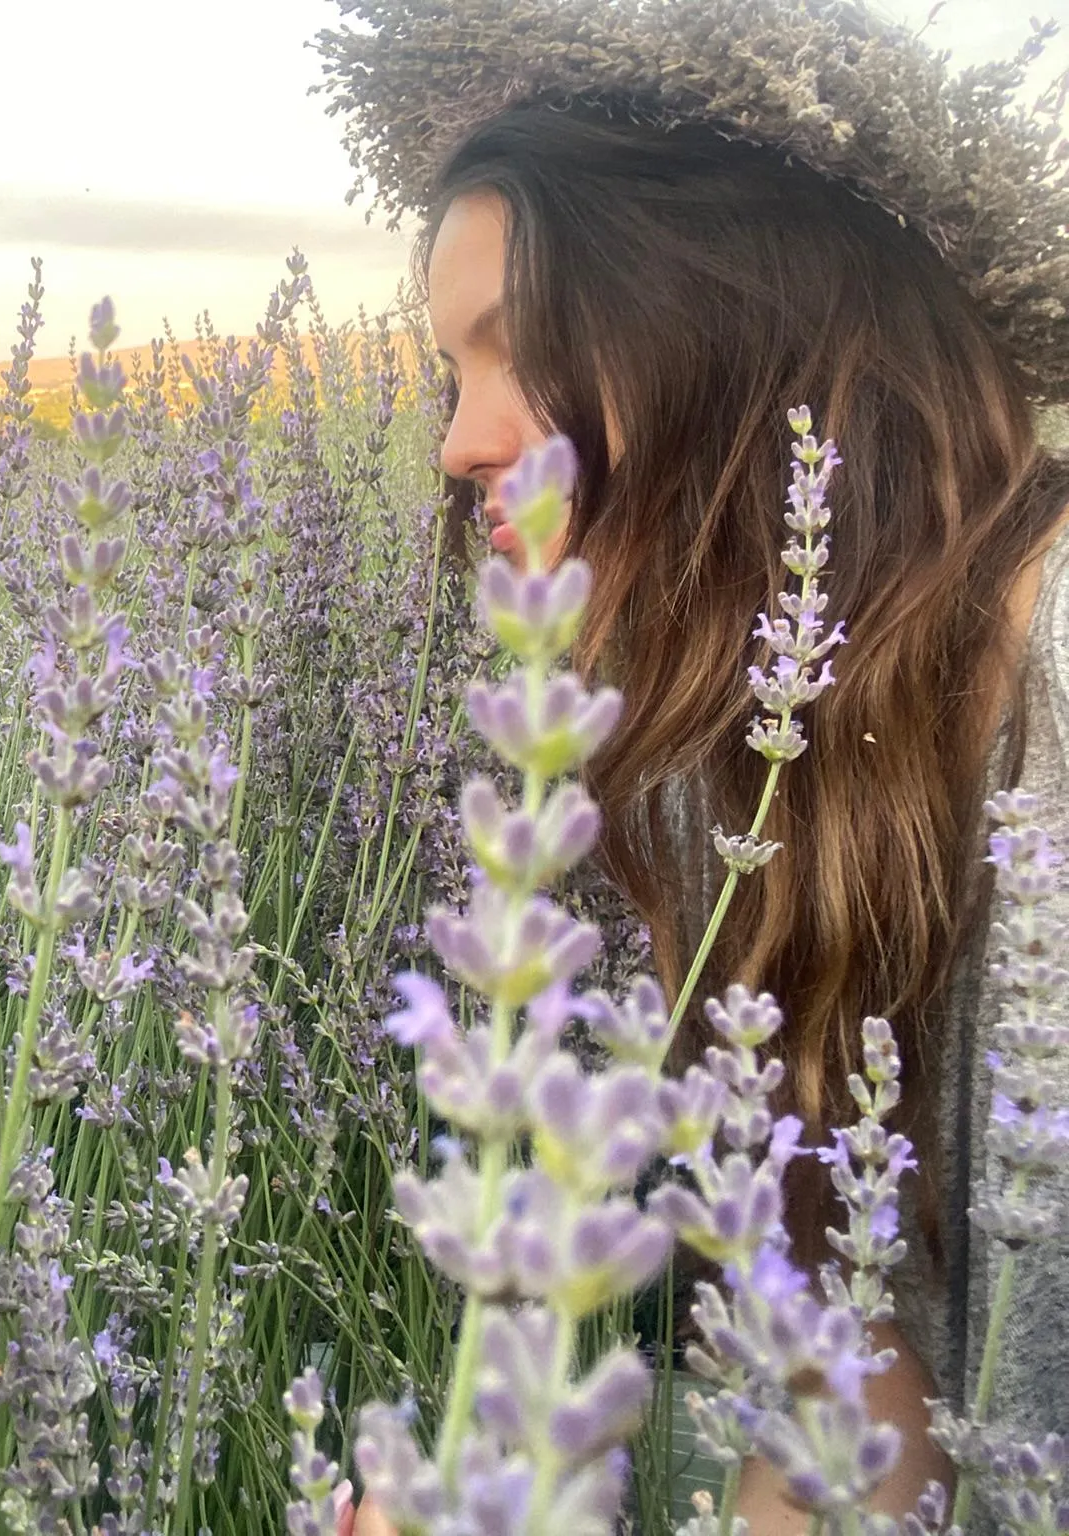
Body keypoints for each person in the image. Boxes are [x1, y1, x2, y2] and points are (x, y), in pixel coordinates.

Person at [312, 0, 1069, 1529]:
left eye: (511, 354)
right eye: (447, 376)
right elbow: (852, 1394)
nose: (459, 444)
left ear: (737, 324)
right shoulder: (732, 780)